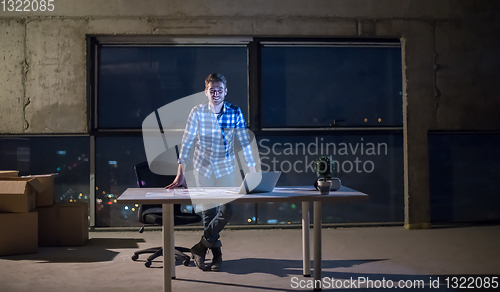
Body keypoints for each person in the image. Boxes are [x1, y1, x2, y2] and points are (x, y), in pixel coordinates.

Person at [165, 73, 256, 272]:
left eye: (219, 90)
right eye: (212, 90)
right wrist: (180, 173)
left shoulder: (234, 111)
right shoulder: (197, 112)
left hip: (226, 168)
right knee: (209, 212)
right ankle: (216, 255)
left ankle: (200, 246)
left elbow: (244, 141)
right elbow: (187, 142)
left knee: (228, 210)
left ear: (226, 91)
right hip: (202, 169)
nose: (216, 94)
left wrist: (252, 170)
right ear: (206, 91)